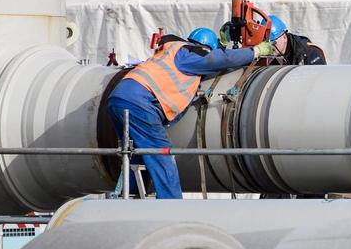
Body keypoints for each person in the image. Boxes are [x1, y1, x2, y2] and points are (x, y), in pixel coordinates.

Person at [108, 27, 273, 198]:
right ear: (205, 48)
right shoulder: (190, 54)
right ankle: (171, 205)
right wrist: (255, 51)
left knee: (135, 153)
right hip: (140, 102)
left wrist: (222, 44)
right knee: (161, 155)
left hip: (119, 97)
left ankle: (130, 196)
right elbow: (217, 60)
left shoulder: (172, 50)